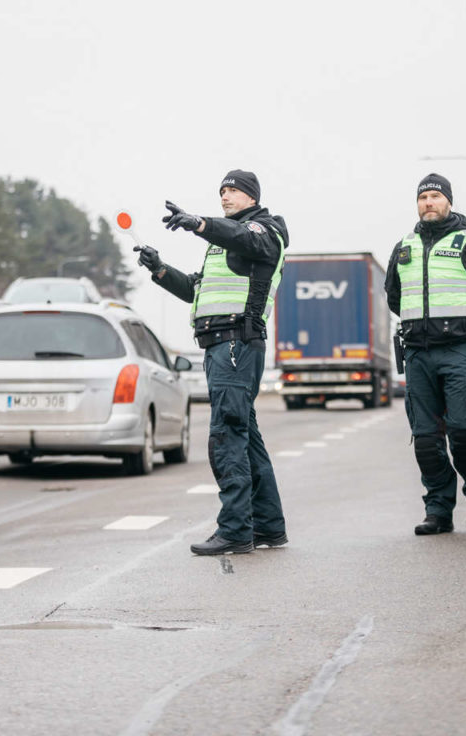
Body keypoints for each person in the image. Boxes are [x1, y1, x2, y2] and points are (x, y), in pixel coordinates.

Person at [134, 170, 289, 555]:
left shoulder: (266, 232)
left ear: (252, 196)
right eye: (221, 191)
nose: (225, 196)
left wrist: (199, 223)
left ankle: (235, 530)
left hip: (237, 344)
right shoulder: (221, 245)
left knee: (226, 437)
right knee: (245, 439)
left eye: (233, 190)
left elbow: (239, 236)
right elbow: (195, 289)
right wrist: (159, 269)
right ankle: (269, 526)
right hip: (219, 347)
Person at [385, 173, 466, 535]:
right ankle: (438, 511)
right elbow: (394, 297)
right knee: (425, 438)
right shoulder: (403, 247)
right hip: (418, 353)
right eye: (423, 197)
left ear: (449, 202)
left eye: (435, 196)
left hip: (460, 350)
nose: (428, 203)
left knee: (464, 430)